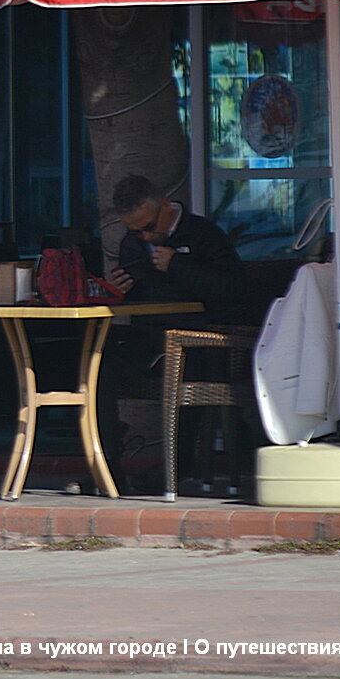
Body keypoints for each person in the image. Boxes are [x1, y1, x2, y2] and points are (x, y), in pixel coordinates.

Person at [101, 174, 245, 490]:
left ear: (166, 206)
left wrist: (178, 265)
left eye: (150, 227)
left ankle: (182, 467)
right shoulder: (133, 244)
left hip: (200, 338)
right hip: (150, 337)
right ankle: (107, 466)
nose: (146, 236)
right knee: (98, 365)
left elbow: (233, 289)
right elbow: (137, 300)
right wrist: (119, 291)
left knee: (184, 367)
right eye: (135, 231)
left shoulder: (203, 234)